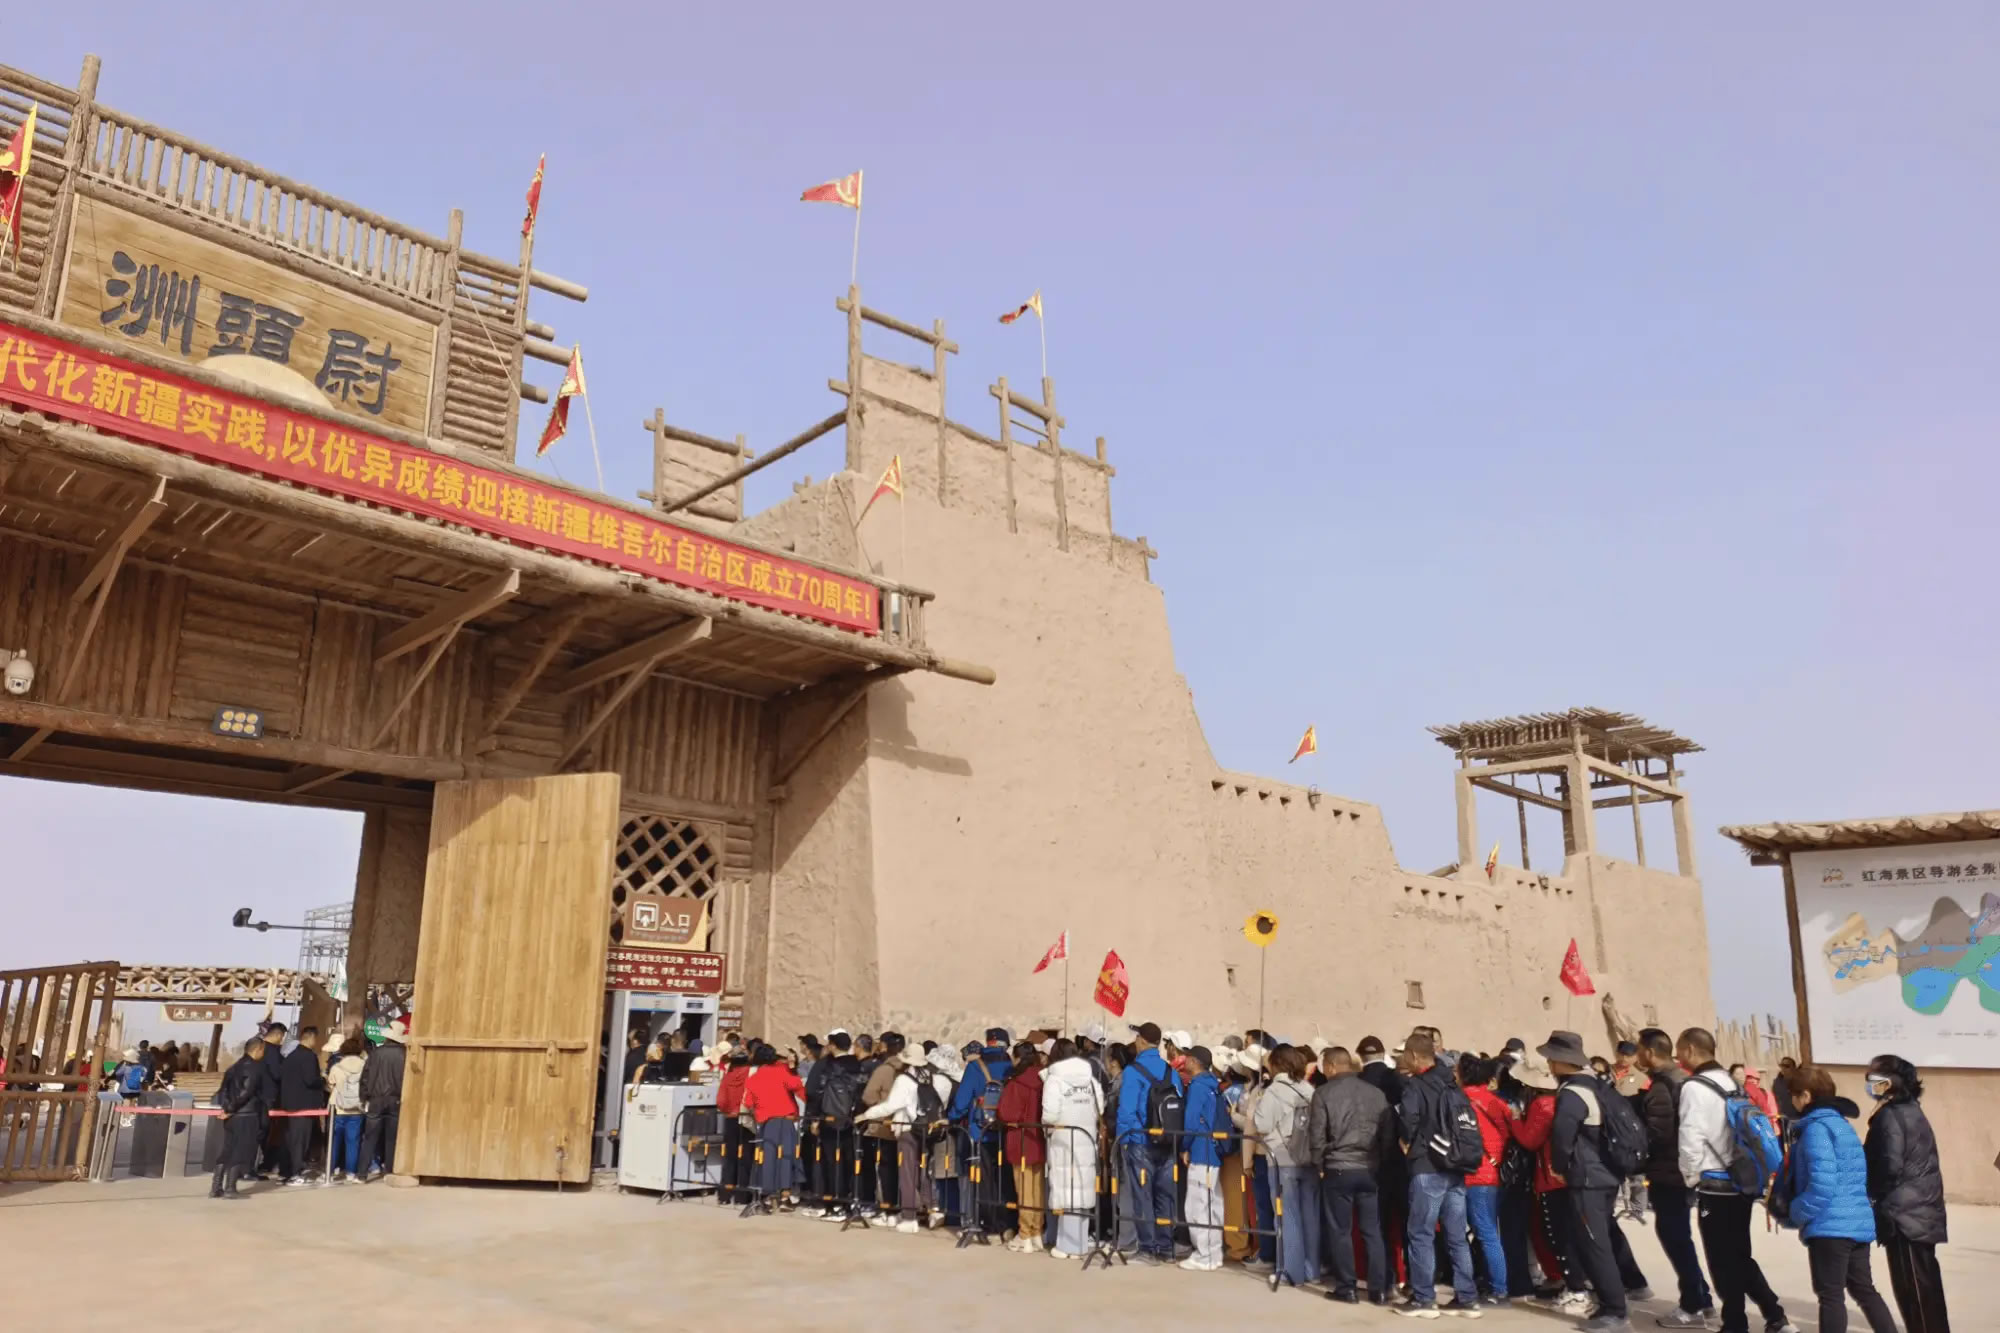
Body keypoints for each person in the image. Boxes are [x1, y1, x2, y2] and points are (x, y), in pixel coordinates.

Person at [1678, 1027, 1795, 1333]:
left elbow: (1690, 1138)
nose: (1678, 1057)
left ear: (1690, 1049)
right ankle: (1774, 1315)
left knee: (1721, 1259)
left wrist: (1690, 1178)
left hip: (1713, 1186)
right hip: (1742, 1181)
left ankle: (1736, 1324)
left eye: (1679, 1050)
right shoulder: (1731, 1082)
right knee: (1739, 1255)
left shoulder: (1694, 1087)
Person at [1783, 1065, 1898, 1333]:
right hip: (1856, 1222)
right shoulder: (1843, 1127)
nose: (1792, 1101)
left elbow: (1822, 1184)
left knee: (1831, 1296)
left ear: (1806, 1096)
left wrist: (1796, 1211)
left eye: (1794, 1095)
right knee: (1864, 1290)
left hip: (1831, 1226)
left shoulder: (1817, 1130)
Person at [1541, 1030, 1631, 1332]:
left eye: (1551, 1059)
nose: (1549, 1065)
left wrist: (1558, 1167)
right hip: (1607, 1174)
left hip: (1588, 1178)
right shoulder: (1598, 1085)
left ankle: (1615, 1311)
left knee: (1595, 1245)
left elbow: (1562, 1137)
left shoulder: (1572, 1093)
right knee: (1600, 1240)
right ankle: (1611, 1303)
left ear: (1559, 1061)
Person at [1397, 1031, 1479, 1319]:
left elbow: (1408, 1119)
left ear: (1414, 1056)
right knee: (1457, 1236)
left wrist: (1407, 1143)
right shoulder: (1452, 1082)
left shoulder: (1416, 1085)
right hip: (1455, 1166)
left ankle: (1424, 1299)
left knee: (1421, 1233)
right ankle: (1467, 1299)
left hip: (1427, 1167)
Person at [1863, 1055, 1947, 1333]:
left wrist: (1872, 1195)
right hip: (1918, 1213)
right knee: (1926, 1291)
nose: (1869, 1082)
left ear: (1890, 1082)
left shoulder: (1891, 1115)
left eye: (1873, 1076)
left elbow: (1889, 1166)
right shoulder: (1911, 1110)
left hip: (1904, 1218)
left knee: (1915, 1295)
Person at [1636, 1028, 1715, 1328]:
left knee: (1675, 1238)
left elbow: (1657, 1135)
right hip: (1683, 1172)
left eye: (1640, 1050)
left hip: (1669, 1175)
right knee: (1680, 1237)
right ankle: (1702, 1299)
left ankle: (1692, 1305)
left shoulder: (1663, 1086)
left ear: (1649, 1052)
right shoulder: (1683, 1080)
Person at [1309, 1045, 1393, 1305]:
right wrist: (1380, 1162)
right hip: (1369, 1168)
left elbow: (1317, 1135)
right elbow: (1387, 1134)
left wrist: (1318, 1164)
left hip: (1338, 1167)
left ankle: (1347, 1288)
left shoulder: (1323, 1093)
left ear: (1331, 1066)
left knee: (1340, 1230)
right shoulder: (1376, 1093)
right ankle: (1379, 1290)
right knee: (1372, 1230)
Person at [857, 1042, 942, 1233]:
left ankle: (909, 1217)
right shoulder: (930, 1077)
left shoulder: (904, 1079)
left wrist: (867, 1115)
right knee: (924, 1172)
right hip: (926, 1129)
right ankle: (933, 1210)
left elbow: (891, 1105)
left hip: (908, 1130)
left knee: (907, 1174)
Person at [1113, 1022, 1180, 1264]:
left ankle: (1147, 1249)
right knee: (1165, 1197)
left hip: (1140, 1140)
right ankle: (1166, 1248)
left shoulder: (1133, 1072)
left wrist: (1123, 1141)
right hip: (1167, 1141)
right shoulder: (1171, 1071)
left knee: (1143, 1197)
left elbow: (1127, 1111)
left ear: (1141, 1040)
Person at [948, 1027, 1015, 1238]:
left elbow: (961, 1102)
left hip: (981, 1131)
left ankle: (991, 1225)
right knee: (1006, 1179)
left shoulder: (976, 1066)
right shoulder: (1012, 1065)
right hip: (1007, 1130)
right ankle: (1009, 1222)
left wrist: (951, 1117)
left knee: (984, 1180)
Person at [1460, 1055, 1514, 1309]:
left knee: (1481, 1233)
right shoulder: (1496, 1102)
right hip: (1492, 1173)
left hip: (1471, 1173)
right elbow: (1509, 1133)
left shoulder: (1460, 1100)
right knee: (1488, 1232)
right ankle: (1492, 1284)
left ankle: (1498, 1289)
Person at [1041, 1037, 1103, 1259]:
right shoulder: (1090, 1080)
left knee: (1066, 1192)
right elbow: (1100, 1108)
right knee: (1082, 1193)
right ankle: (1079, 1244)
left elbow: (1049, 1115)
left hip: (1063, 1140)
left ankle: (1066, 1245)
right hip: (1086, 1138)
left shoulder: (1054, 1080)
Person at [1357, 1035, 1409, 1288]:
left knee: (1377, 1224)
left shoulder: (1358, 1083)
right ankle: (1411, 1279)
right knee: (1407, 1224)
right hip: (1402, 1159)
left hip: (1370, 1160)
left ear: (1360, 1056)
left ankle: (1383, 1278)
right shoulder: (1397, 1079)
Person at [1176, 1046, 1225, 1271]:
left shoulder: (1197, 1087)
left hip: (1200, 1150)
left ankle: (1204, 1255)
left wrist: (1184, 1146)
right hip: (1213, 1151)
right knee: (1213, 1205)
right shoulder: (1213, 1085)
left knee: (1197, 1205)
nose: (1184, 1060)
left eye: (1188, 1057)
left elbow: (1191, 1121)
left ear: (1195, 1062)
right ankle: (1214, 1252)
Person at [996, 1041, 1048, 1251]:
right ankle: (1036, 1231)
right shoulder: (1043, 1079)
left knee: (1024, 1189)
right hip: (1038, 1138)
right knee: (1037, 1189)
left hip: (1021, 1139)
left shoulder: (1016, 1083)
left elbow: (1006, 1112)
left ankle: (1025, 1233)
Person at [742, 1043, 804, 1210]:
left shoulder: (753, 1078)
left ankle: (769, 1196)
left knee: (768, 1159)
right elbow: (796, 1086)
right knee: (787, 1158)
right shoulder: (782, 1071)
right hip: (785, 1120)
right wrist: (793, 1068)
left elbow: (748, 1102)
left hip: (766, 1122)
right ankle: (785, 1197)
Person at [210, 1037, 269, 1200]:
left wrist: (227, 1108)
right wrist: (231, 1109)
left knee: (227, 1150)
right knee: (240, 1151)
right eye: (263, 1050)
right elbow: (246, 1092)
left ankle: (216, 1187)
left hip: (233, 1116)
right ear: (257, 1049)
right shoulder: (254, 1068)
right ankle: (230, 1188)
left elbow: (222, 1091)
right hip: (246, 1114)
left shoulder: (233, 1067)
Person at [358, 1017, 406, 1181]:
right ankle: (389, 1170)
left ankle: (362, 1173)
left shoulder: (375, 1054)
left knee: (369, 1138)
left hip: (376, 1099)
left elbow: (365, 1077)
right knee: (391, 1138)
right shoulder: (404, 1054)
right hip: (396, 1099)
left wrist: (363, 1097)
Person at [276, 1027, 325, 1185]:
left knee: (289, 1140)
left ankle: (285, 1172)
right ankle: (295, 1173)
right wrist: (323, 1080)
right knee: (300, 1141)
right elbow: (310, 1080)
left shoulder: (290, 1056)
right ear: (311, 1038)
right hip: (304, 1105)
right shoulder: (309, 1056)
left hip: (288, 1104)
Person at [324, 1035, 367, 1184]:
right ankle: (351, 1172)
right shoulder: (365, 1066)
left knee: (334, 1141)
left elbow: (331, 1084)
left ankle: (330, 1171)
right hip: (357, 1108)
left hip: (339, 1108)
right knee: (353, 1142)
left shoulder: (337, 1067)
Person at [715, 1046, 753, 1206]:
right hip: (746, 1118)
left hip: (730, 1118)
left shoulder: (728, 1076)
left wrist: (727, 1110)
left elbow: (721, 1100)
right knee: (746, 1157)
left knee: (729, 1156)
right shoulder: (750, 1074)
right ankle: (742, 1196)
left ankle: (725, 1195)